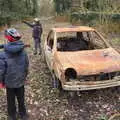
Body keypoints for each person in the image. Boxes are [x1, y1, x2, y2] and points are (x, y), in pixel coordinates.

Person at [0, 28, 29, 120]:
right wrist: (24, 77)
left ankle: (12, 116)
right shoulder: (23, 52)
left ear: (8, 38)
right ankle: (23, 114)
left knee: (10, 100)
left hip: (9, 82)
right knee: (21, 98)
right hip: (20, 80)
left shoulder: (2, 54)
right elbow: (26, 66)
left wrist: (1, 81)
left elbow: (1, 70)